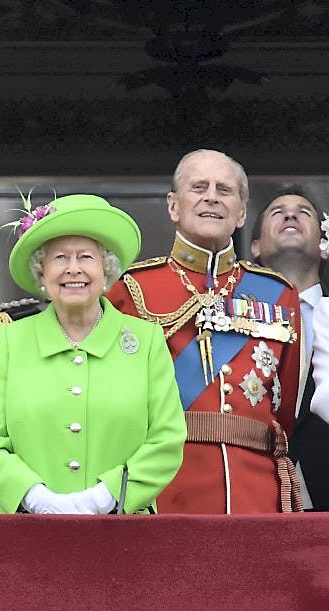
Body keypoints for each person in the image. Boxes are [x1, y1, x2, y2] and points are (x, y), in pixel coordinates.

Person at [107, 149, 304, 513]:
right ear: (173, 205)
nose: (211, 196)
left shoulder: (279, 295)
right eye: (198, 187)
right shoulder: (130, 290)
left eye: (224, 190)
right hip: (164, 491)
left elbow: (285, 410)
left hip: (255, 495)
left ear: (242, 212)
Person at [0, 194, 185, 513]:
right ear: (42, 274)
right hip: (28, 533)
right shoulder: (12, 340)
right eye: (59, 258)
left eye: (86, 257)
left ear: (106, 270)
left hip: (124, 534)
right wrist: (34, 498)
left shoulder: (146, 341)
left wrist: (106, 497)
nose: (73, 269)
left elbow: (166, 440)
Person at [254, 186, 329, 509]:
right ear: (255, 246)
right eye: (277, 211)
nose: (290, 215)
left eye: (304, 212)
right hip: (251, 493)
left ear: (324, 246)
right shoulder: (225, 318)